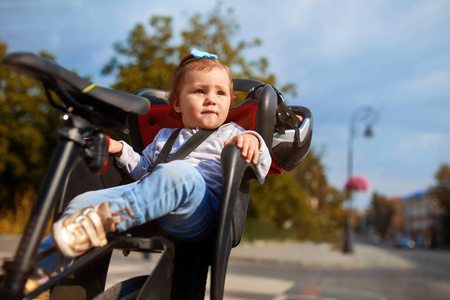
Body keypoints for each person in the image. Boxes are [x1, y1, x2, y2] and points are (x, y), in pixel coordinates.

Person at [37, 49, 271, 274]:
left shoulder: (233, 133)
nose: (211, 99)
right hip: (153, 205)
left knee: (179, 173)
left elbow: (262, 165)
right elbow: (143, 172)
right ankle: (41, 271)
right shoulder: (164, 137)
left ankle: (101, 222)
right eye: (200, 91)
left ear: (230, 101)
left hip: (199, 212)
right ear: (177, 103)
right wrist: (120, 149)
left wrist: (253, 140)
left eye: (220, 93)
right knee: (84, 201)